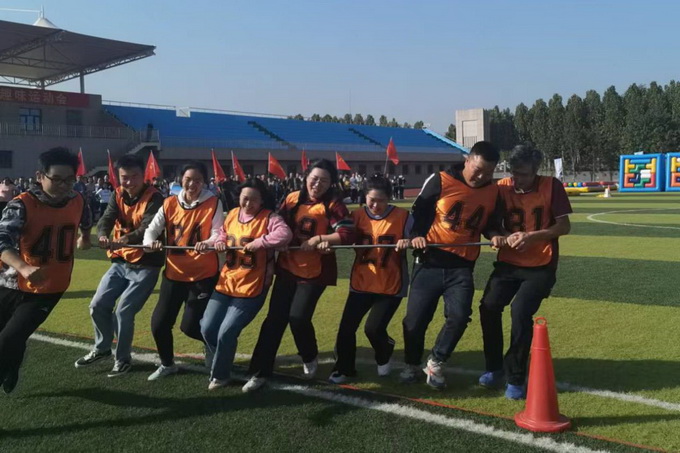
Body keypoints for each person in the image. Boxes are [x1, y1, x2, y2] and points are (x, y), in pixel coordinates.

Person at [242, 159, 355, 392]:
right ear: (306, 178)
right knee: (274, 319)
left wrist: (321, 239)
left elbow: (347, 233)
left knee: (298, 317)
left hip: (315, 270)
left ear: (331, 183)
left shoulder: (333, 203)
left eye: (324, 180)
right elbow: (278, 227)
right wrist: (281, 241)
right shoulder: (292, 198)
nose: (318, 184)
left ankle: (309, 355)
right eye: (314, 179)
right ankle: (259, 371)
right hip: (287, 266)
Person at [401, 141, 505, 389]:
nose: (481, 177)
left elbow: (490, 224)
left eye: (488, 172)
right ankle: (411, 365)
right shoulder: (441, 180)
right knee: (415, 320)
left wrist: (495, 235)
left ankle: (436, 361)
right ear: (467, 160)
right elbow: (418, 213)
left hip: (462, 265)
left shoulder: (493, 191)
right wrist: (416, 235)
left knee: (459, 316)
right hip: (429, 260)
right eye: (478, 170)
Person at [478, 144, 572, 400]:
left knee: (520, 312)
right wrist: (498, 236)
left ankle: (516, 377)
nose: (517, 178)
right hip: (508, 263)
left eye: (524, 174)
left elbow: (564, 226)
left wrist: (532, 237)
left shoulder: (551, 186)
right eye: (514, 172)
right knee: (488, 307)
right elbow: (489, 225)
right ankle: (493, 367)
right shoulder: (501, 187)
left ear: (536, 171)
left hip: (541, 264)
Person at [0, 147, 92, 393]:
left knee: (7, 340)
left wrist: (84, 236)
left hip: (49, 286)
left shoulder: (77, 199)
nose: (64, 186)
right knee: (10, 336)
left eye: (69, 180)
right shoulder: (22, 205)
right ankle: (13, 364)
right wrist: (23, 266)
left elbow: (86, 219)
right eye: (57, 179)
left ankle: (7, 365)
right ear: (40, 176)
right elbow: (1, 240)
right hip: (10, 282)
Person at [75, 154, 164, 377]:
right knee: (97, 304)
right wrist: (102, 234)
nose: (129, 182)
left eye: (134, 176)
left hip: (146, 264)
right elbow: (106, 218)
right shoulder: (117, 194)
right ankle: (102, 347)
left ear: (144, 175)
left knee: (123, 311)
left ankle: (122, 359)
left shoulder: (155, 197)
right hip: (120, 260)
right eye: (125, 177)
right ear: (118, 177)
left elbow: (148, 227)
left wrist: (126, 238)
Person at [200, 178, 292, 390]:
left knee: (227, 331)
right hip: (226, 282)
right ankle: (220, 359)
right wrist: (219, 242)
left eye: (254, 199)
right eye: (245, 198)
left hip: (252, 286)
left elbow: (285, 234)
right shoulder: (233, 214)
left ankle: (220, 375)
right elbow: (222, 233)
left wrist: (261, 242)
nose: (248, 204)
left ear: (262, 201)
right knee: (207, 328)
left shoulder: (269, 218)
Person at [143, 161, 224, 381]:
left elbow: (218, 233)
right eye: (188, 179)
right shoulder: (169, 203)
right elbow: (151, 230)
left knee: (190, 326)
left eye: (198, 180)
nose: (192, 184)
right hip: (174, 273)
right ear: (181, 180)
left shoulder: (213, 202)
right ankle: (167, 364)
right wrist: (150, 243)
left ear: (204, 182)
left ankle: (214, 344)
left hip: (202, 275)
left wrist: (208, 243)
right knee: (159, 324)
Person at [329, 176, 411, 383]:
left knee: (373, 329)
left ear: (389, 198)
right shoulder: (356, 216)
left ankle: (384, 351)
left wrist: (410, 240)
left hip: (390, 282)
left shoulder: (403, 216)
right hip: (362, 281)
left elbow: (420, 235)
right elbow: (342, 236)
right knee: (346, 328)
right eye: (371, 200)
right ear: (364, 197)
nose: (375, 205)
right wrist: (328, 243)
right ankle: (344, 368)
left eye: (381, 200)